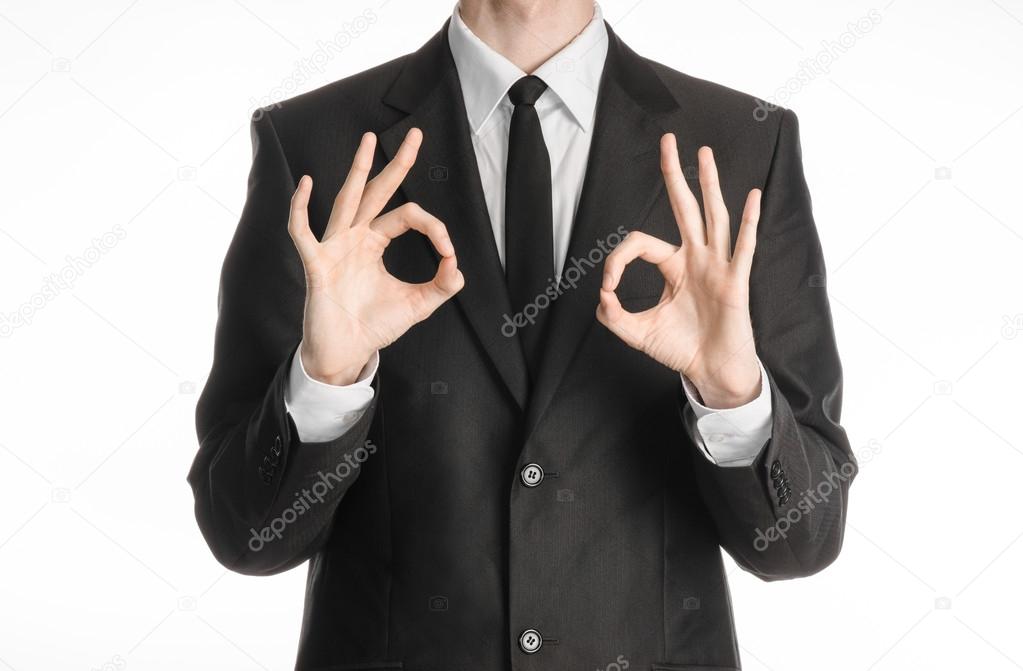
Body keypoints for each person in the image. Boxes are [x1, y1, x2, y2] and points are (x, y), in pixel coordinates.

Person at [188, 1, 856, 668]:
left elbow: (798, 544)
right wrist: (326, 383)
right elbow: (247, 537)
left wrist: (732, 396)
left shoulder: (740, 144)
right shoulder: (313, 141)